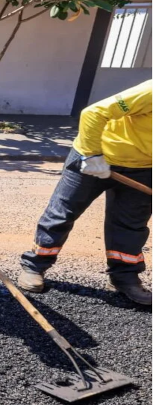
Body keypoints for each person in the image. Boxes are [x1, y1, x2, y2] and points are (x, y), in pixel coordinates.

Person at [19, 80, 152, 305]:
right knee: (62, 213)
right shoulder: (152, 91)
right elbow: (94, 112)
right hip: (94, 158)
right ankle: (35, 266)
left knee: (130, 225)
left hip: (144, 168)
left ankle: (125, 277)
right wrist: (91, 155)